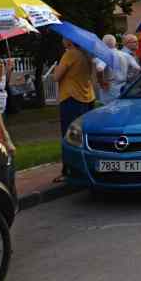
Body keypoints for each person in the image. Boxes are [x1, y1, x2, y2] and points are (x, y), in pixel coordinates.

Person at [52, 38, 96, 182]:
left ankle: (69, 170)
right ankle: (86, 167)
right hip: (87, 97)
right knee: (85, 136)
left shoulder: (70, 54)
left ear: (69, 41)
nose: (62, 40)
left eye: (63, 38)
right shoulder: (86, 55)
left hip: (71, 98)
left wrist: (56, 69)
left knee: (70, 136)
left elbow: (56, 77)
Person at [97, 34, 139, 104]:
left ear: (103, 44)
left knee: (109, 109)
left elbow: (100, 69)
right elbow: (137, 68)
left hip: (110, 88)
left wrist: (101, 82)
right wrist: (130, 78)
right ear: (115, 43)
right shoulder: (125, 55)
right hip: (123, 87)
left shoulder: (105, 55)